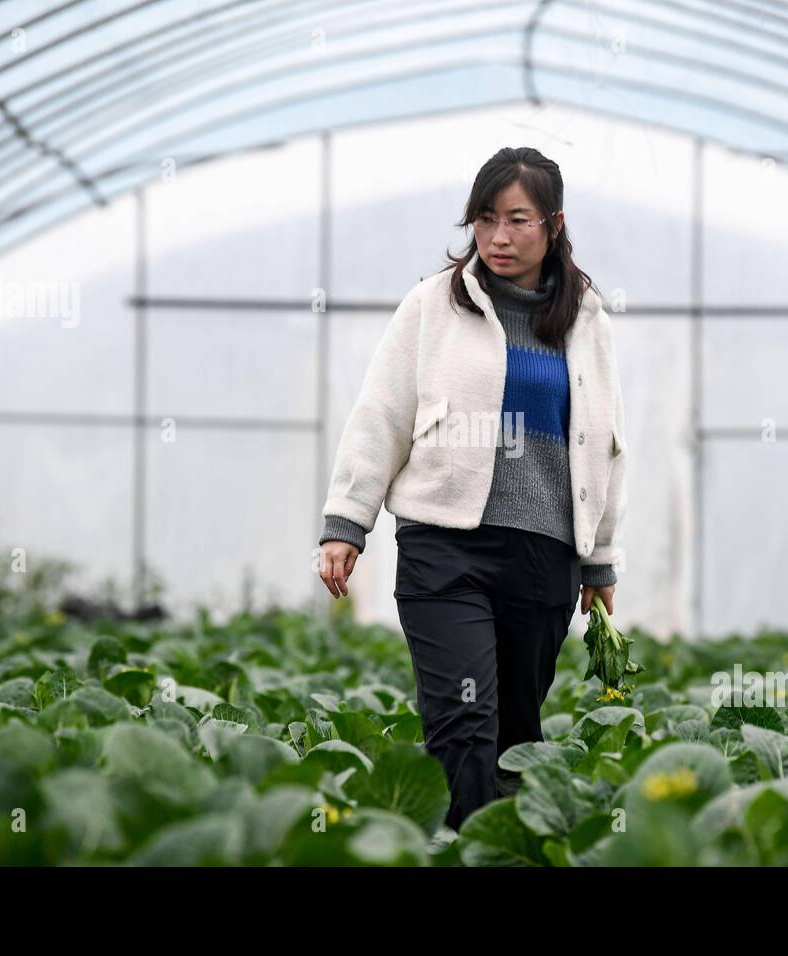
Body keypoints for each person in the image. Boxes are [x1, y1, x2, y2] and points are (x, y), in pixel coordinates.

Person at [314, 146, 628, 831]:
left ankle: (498, 844)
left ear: (554, 223)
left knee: (516, 738)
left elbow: (604, 441)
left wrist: (599, 555)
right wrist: (347, 520)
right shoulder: (433, 305)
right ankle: (466, 849)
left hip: (544, 558)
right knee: (465, 722)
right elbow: (382, 413)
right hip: (445, 549)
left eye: (518, 219)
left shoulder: (587, 322)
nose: (498, 237)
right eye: (485, 219)